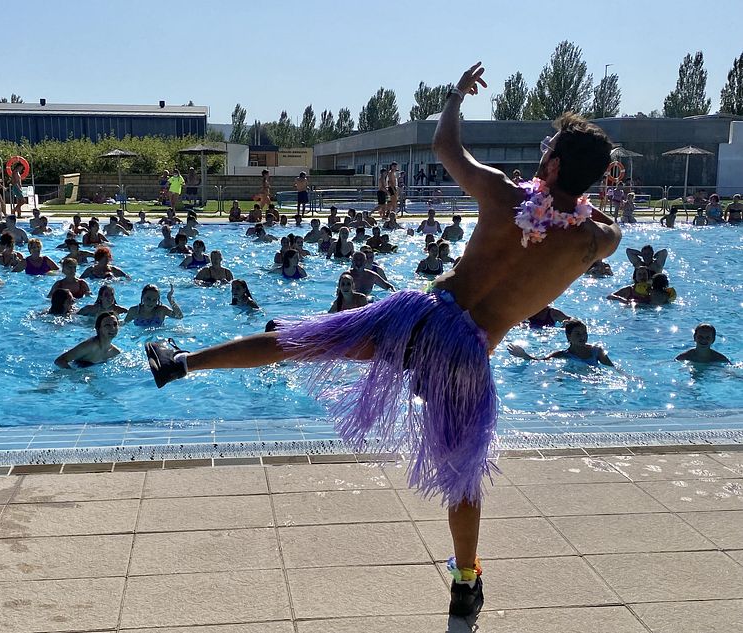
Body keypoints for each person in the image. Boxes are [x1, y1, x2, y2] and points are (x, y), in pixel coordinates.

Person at [143, 63, 622, 619]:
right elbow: (602, 219)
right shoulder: (593, 242)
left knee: (305, 340)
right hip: (467, 356)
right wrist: (583, 192)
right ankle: (466, 580)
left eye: (549, 148)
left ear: (553, 162)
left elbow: (446, 146)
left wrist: (454, 97)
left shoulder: (503, 195)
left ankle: (182, 362)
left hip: (422, 318)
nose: (541, 154)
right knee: (463, 472)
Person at [508, 318, 614, 367]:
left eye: (584, 333)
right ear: (568, 336)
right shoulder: (563, 355)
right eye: (577, 333)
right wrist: (524, 355)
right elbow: (540, 361)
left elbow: (612, 369)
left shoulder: (597, 351)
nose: (582, 337)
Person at [54, 311, 121, 368]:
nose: (112, 328)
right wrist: (74, 375)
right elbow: (59, 361)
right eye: (107, 325)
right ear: (98, 329)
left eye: (115, 324)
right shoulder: (90, 346)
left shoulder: (115, 352)